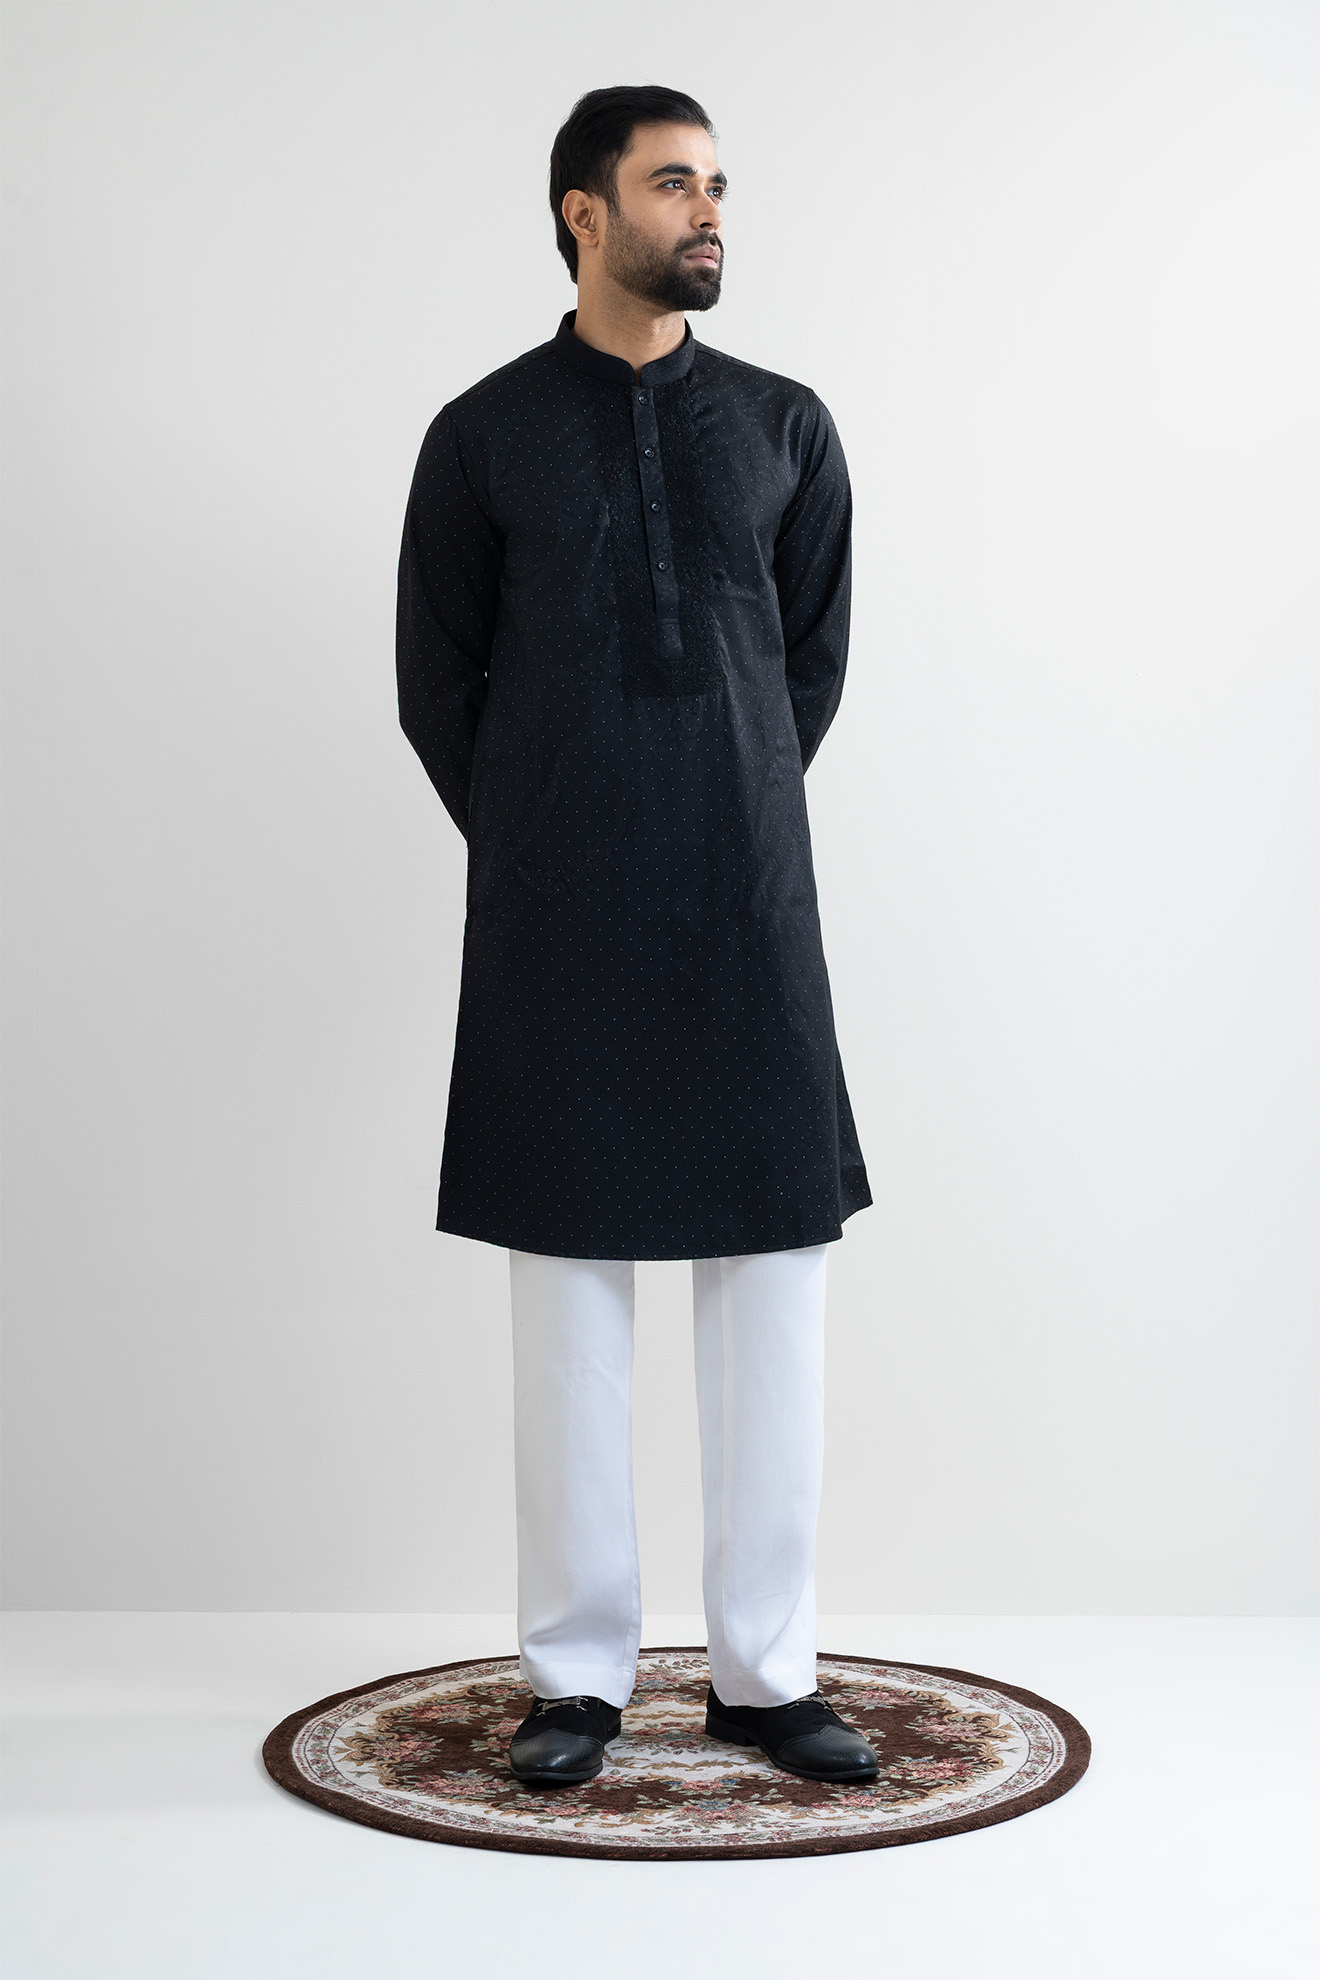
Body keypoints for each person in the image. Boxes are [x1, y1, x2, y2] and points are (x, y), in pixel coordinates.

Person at [396, 85, 877, 1788]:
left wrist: (716, 799)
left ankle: (765, 1669)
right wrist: (551, 835)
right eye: (675, 183)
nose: (711, 210)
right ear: (584, 213)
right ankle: (577, 1676)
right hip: (559, 914)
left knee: (776, 1278)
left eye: (719, 182)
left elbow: (806, 669)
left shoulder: (787, 425)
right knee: (568, 1291)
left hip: (747, 904)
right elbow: (435, 684)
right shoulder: (483, 435)